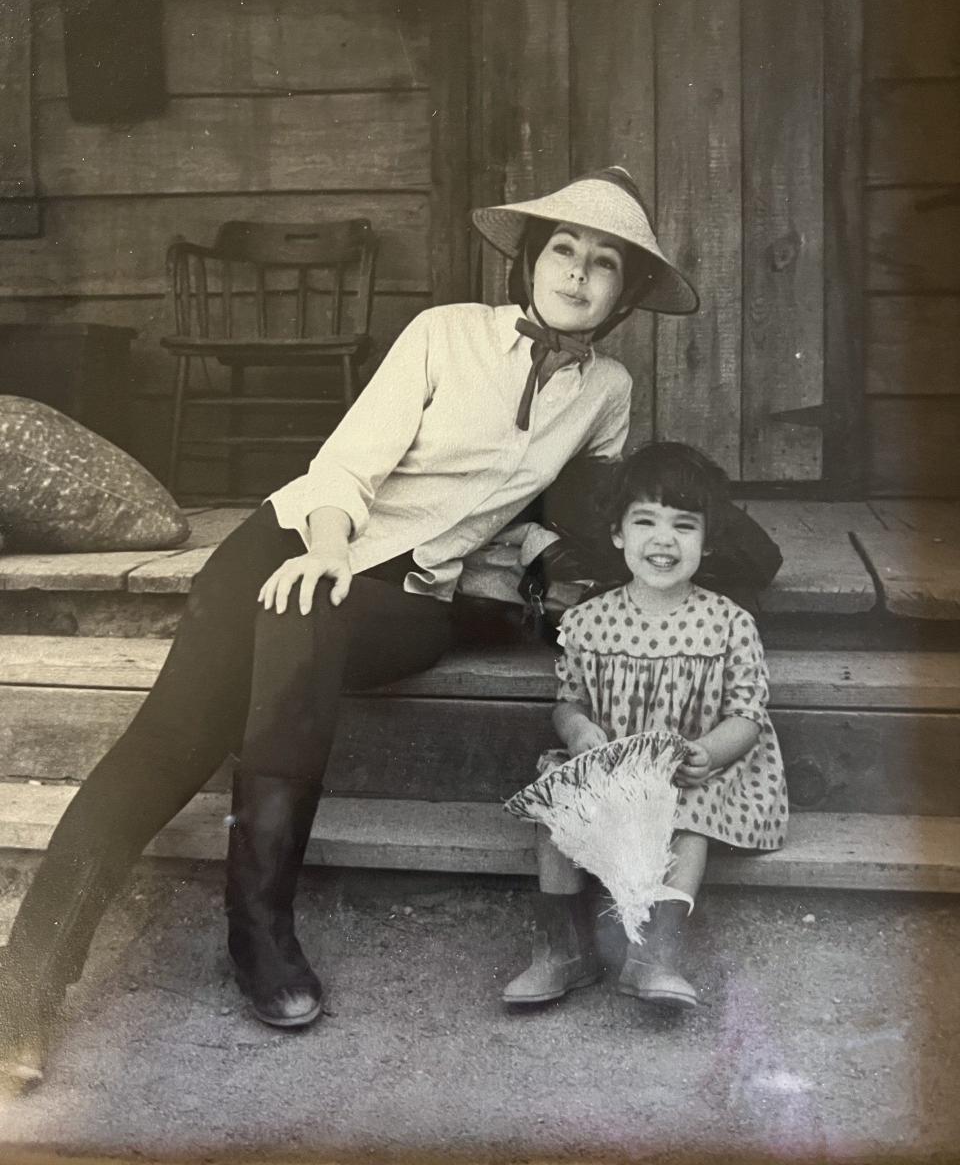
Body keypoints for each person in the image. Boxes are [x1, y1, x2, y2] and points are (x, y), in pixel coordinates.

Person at [0, 167, 702, 1093]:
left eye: (604, 263)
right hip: (295, 542)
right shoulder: (444, 334)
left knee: (307, 623)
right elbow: (347, 464)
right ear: (530, 258)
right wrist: (327, 549)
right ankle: (27, 990)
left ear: (626, 296)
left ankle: (256, 935)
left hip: (409, 595)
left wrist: (537, 565)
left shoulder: (606, 390)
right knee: (170, 737)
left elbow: (551, 506)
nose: (576, 273)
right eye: (563, 249)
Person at [501, 442, 789, 1011]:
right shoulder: (587, 620)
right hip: (617, 767)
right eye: (645, 522)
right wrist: (579, 730)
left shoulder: (730, 623)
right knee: (559, 804)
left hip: (694, 773)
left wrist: (710, 750)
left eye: (684, 526)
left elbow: (748, 715)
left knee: (689, 816)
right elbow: (569, 699)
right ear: (618, 534)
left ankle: (655, 953)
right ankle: (563, 948)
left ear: (706, 543)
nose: (664, 540)